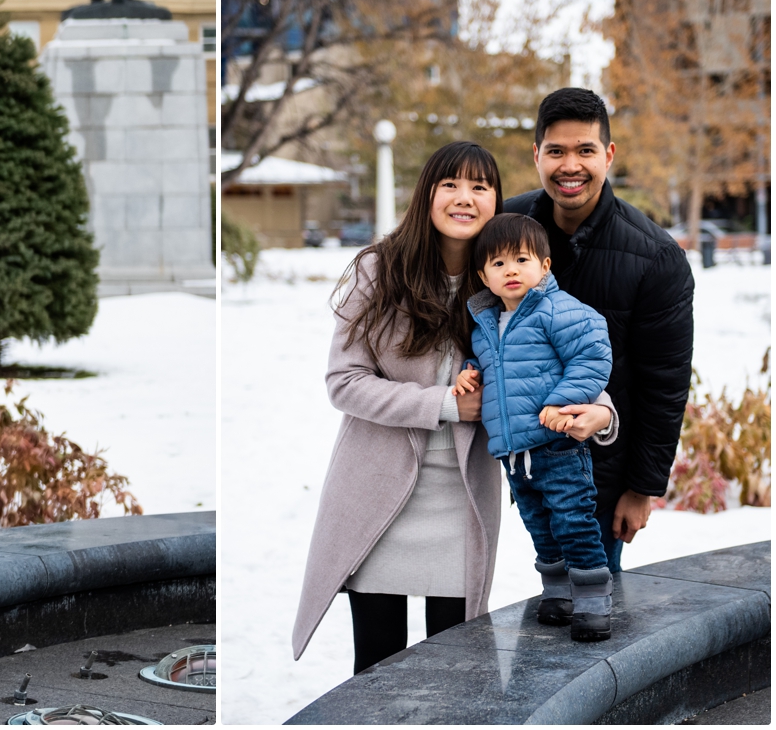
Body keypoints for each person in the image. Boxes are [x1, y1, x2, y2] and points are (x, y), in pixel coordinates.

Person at [290, 141, 618, 673]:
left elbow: (558, 360)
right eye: (451, 185)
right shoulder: (380, 270)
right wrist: (445, 403)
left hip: (463, 500)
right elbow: (343, 383)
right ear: (428, 195)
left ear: (495, 201)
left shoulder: (511, 275)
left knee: (459, 670)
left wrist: (602, 412)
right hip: (380, 497)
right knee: (377, 670)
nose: (464, 198)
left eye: (480, 187)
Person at [503, 87, 696, 573]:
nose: (571, 165)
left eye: (585, 150)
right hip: (514, 466)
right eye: (557, 151)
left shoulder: (656, 257)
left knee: (591, 612)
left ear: (608, 155)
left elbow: (664, 383)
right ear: (537, 156)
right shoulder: (506, 228)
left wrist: (643, 487)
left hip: (600, 478)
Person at [457, 213, 615, 640]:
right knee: (539, 525)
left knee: (573, 520)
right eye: (498, 264)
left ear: (544, 266)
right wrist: (469, 372)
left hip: (557, 445)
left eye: (522, 260)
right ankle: (558, 592)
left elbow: (593, 356)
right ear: (483, 277)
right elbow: (500, 367)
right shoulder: (487, 325)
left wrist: (562, 401)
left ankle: (593, 599)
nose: (511, 270)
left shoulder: (558, 310)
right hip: (514, 454)